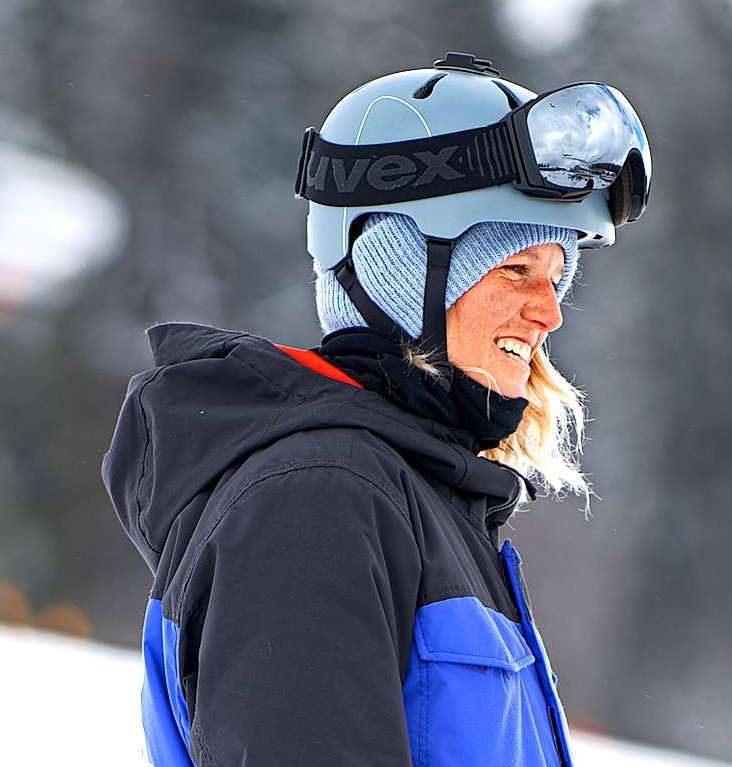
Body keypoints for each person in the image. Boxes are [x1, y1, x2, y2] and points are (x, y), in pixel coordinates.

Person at [102, 51, 651, 766]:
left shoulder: (420, 500)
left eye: (556, 275)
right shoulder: (316, 502)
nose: (548, 310)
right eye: (516, 268)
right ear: (394, 267)